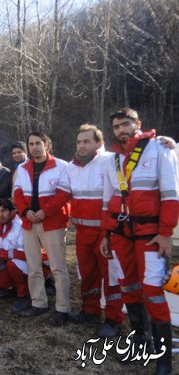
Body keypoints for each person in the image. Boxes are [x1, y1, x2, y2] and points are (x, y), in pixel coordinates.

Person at [100, 108, 178, 374]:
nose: (122, 130)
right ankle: (141, 343)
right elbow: (107, 200)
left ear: (138, 123)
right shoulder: (112, 159)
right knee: (129, 287)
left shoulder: (160, 148)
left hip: (151, 234)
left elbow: (170, 194)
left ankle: (164, 363)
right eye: (117, 126)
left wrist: (166, 232)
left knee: (152, 291)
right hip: (120, 234)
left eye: (126, 124)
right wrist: (106, 235)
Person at [51, 124, 124, 335]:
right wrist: (40, 212)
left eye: (87, 141)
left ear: (98, 143)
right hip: (82, 232)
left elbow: (117, 197)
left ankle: (113, 318)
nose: (81, 146)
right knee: (87, 275)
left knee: (110, 277)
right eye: (79, 141)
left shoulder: (110, 160)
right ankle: (90, 310)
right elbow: (61, 196)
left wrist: (162, 142)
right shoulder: (71, 167)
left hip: (105, 233)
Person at [14, 131, 71, 326]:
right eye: (31, 144)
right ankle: (39, 302)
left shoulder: (61, 166)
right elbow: (18, 192)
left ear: (47, 145)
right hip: (29, 222)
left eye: (38, 143)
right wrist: (25, 211)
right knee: (33, 265)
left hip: (52, 222)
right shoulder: (22, 168)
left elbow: (64, 193)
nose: (34, 147)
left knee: (57, 267)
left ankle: (63, 308)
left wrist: (45, 212)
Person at [0, 199, 32, 313]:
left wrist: (0, 254)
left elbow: (24, 254)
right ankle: (20, 287)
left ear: (12, 212)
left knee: (12, 264)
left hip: (30, 263)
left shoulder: (19, 225)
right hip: (13, 263)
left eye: (5, 211)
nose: (2, 214)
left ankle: (24, 295)